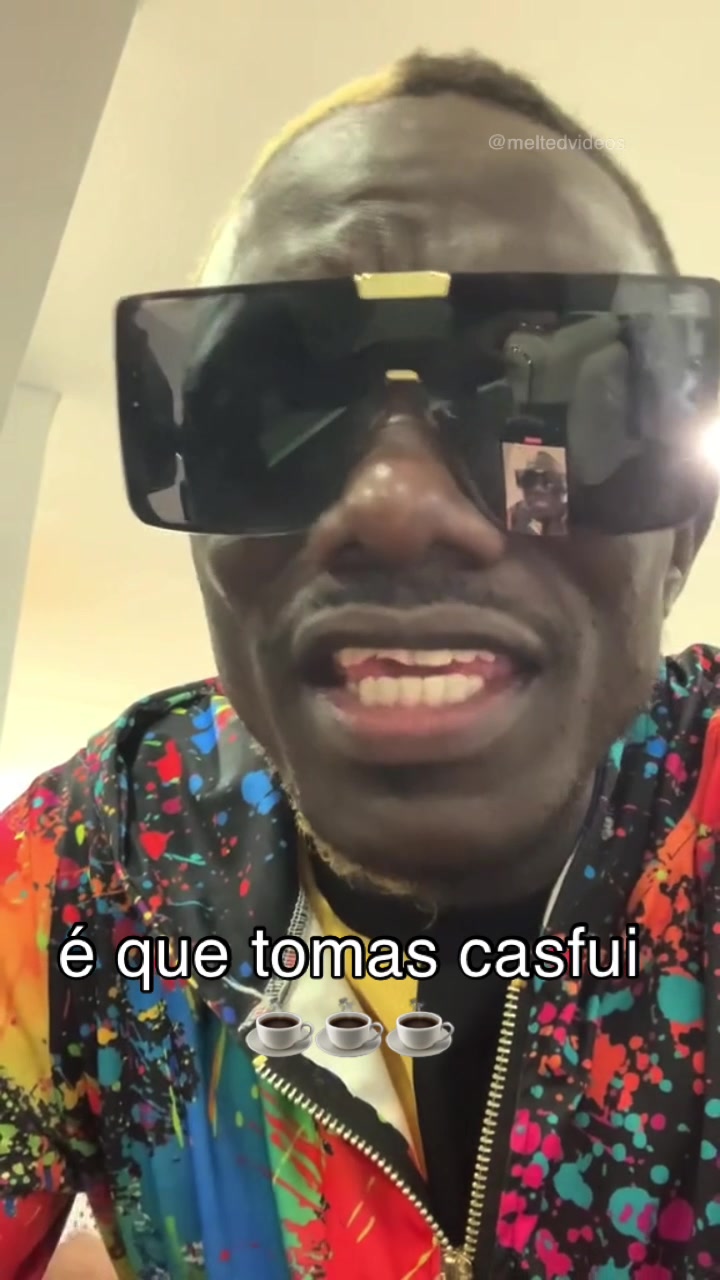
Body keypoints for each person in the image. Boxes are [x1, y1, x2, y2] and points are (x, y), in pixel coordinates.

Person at [2, 48, 719, 1280]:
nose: (394, 502)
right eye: (266, 414)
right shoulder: (94, 862)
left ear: (680, 541)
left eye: (538, 403)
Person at [507, 448, 568, 535]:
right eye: (529, 479)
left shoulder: (574, 517)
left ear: (561, 489)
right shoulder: (513, 515)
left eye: (548, 479)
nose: (537, 488)